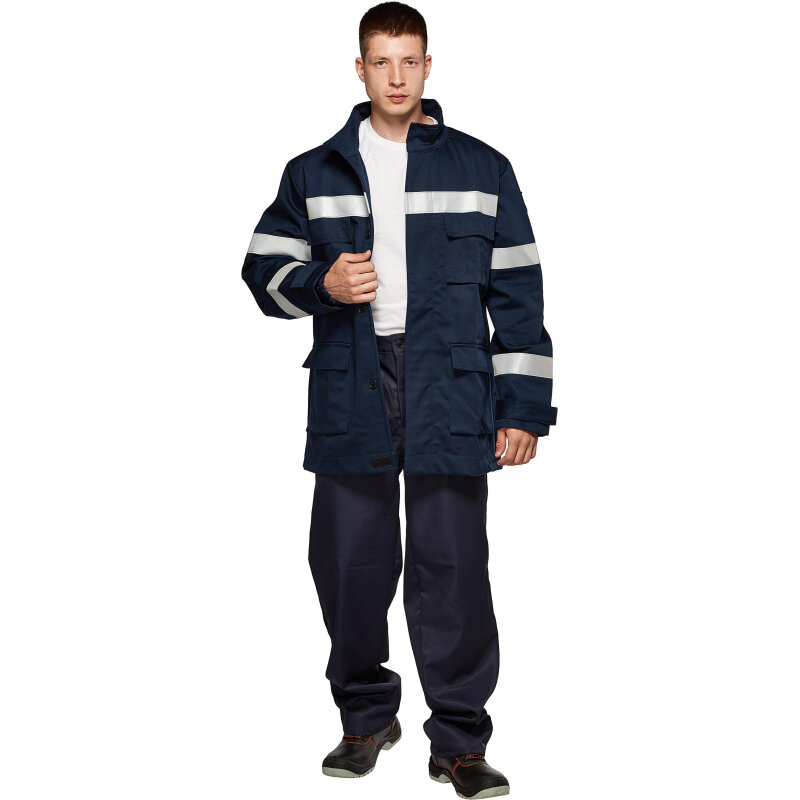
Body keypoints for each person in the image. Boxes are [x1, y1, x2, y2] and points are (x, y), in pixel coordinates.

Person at [240, 3, 557, 797]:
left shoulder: (483, 167)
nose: (395, 76)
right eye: (380, 61)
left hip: (451, 385)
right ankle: (364, 718)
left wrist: (522, 408)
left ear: (427, 66)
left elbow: (519, 292)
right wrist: (323, 282)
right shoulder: (313, 171)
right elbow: (261, 272)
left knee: (453, 570)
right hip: (353, 380)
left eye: (409, 60)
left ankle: (459, 742)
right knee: (348, 564)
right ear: (360, 69)